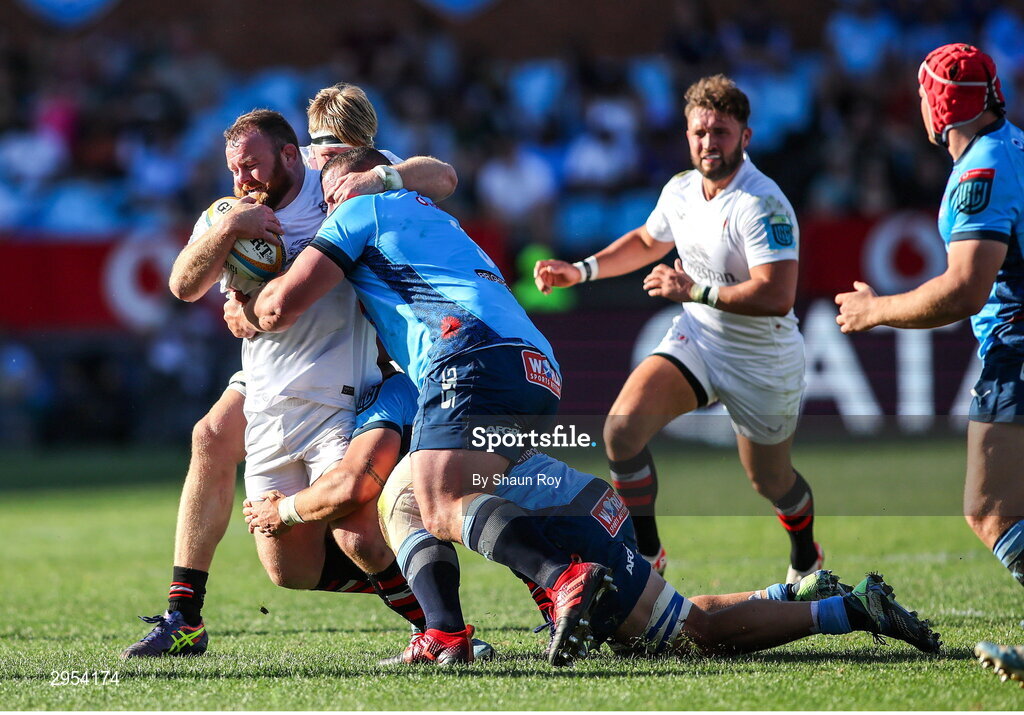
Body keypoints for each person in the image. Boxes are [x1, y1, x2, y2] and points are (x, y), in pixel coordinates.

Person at [251, 371, 940, 659]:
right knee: (683, 623)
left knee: (407, 495)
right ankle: (820, 600)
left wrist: (283, 506)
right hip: (575, 500)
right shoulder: (437, 406)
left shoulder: (398, 401)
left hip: (569, 517)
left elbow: (355, 487)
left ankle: (445, 633)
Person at [245, 148, 615, 667]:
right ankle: (447, 632)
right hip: (537, 367)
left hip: (467, 355)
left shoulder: (357, 211)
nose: (328, 209)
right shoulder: (432, 213)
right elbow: (441, 177)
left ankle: (564, 578)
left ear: (348, 187)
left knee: (439, 503)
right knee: (430, 499)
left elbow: (280, 306)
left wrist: (246, 305)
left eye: (328, 197)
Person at [122, 91, 459, 657]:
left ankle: (441, 623)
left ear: (290, 154)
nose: (242, 179)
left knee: (358, 536)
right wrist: (229, 230)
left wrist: (382, 180)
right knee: (286, 566)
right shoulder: (232, 209)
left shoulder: (334, 174)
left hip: (343, 381)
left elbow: (442, 177)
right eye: (233, 169)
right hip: (265, 377)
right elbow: (182, 285)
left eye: (251, 165)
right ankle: (184, 617)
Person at [533, 74, 821, 583]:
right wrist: (582, 270)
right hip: (701, 338)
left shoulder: (762, 204)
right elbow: (647, 239)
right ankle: (648, 556)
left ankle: (805, 555)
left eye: (722, 132)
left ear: (745, 138)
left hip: (762, 358)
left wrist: (694, 291)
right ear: (687, 135)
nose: (709, 143)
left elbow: (777, 296)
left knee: (770, 480)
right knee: (620, 432)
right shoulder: (682, 189)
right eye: (700, 133)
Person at [834, 43, 1024, 684]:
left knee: (992, 509)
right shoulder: (1012, 147)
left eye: (922, 93)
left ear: (939, 102)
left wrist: (878, 310)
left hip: (1018, 346)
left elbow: (967, 287)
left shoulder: (982, 170)